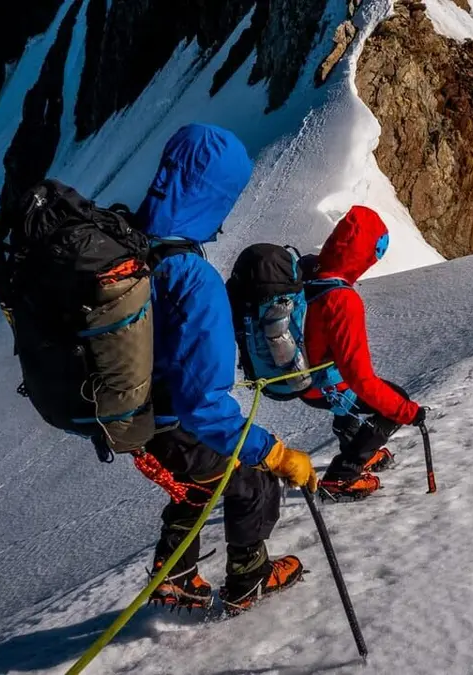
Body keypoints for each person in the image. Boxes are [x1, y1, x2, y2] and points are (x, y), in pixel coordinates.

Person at [134, 123, 318, 613]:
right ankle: (248, 578)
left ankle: (174, 575)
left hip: (136, 421)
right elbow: (205, 407)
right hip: (172, 423)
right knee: (252, 480)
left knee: (197, 484)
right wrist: (274, 454)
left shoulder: (130, 246)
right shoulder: (193, 279)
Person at [298, 205, 428, 500]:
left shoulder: (311, 274)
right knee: (393, 401)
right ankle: (343, 475)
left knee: (355, 391)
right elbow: (360, 379)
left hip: (304, 378)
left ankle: (355, 445)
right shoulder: (342, 300)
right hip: (324, 386)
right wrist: (407, 411)